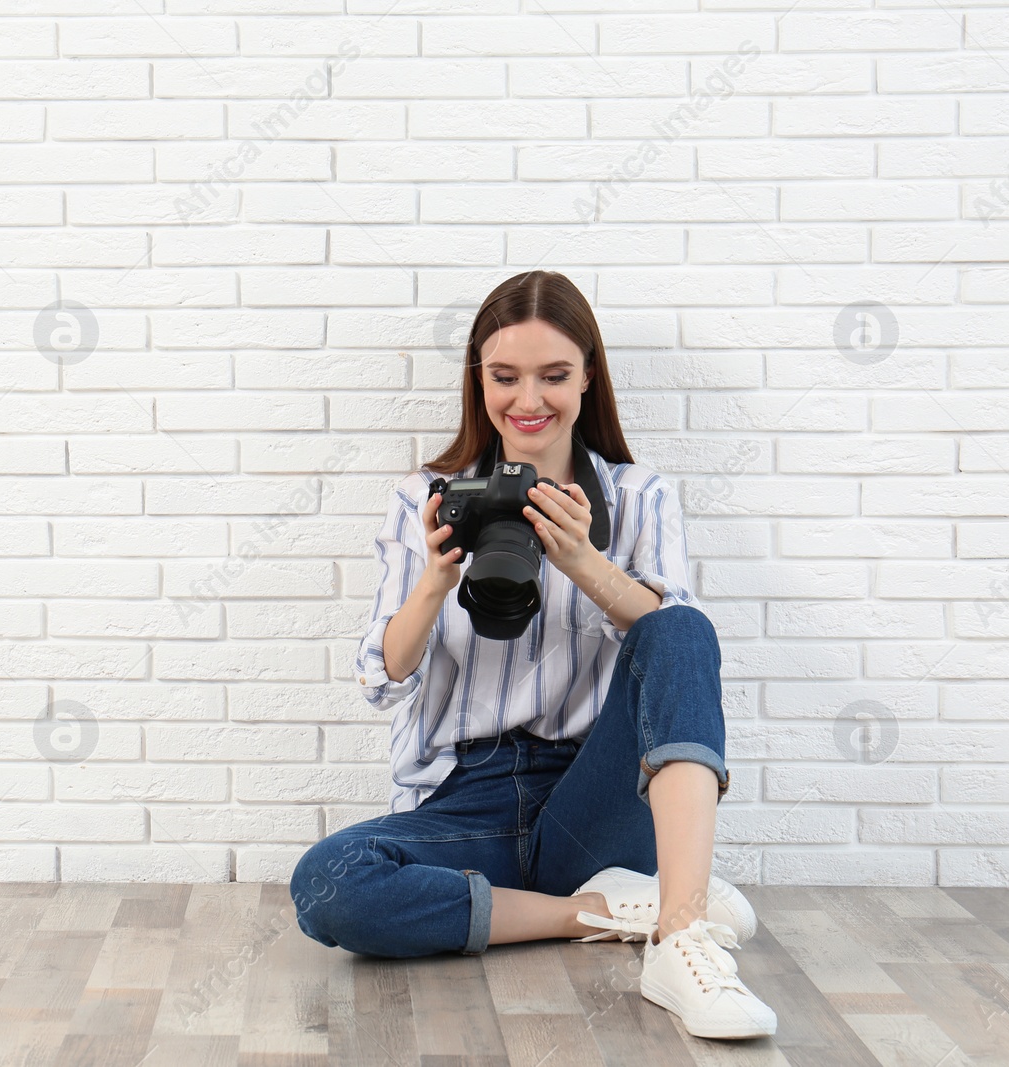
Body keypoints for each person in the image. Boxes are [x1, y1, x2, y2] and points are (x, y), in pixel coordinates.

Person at [290, 271, 778, 1041]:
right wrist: (435, 577)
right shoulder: (427, 497)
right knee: (327, 884)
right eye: (506, 376)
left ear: (589, 375)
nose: (530, 398)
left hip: (595, 794)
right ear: (478, 379)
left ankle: (680, 937)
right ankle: (608, 910)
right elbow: (379, 681)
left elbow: (673, 654)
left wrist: (586, 563)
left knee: (683, 628)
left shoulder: (639, 496)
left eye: (554, 375)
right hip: (464, 798)